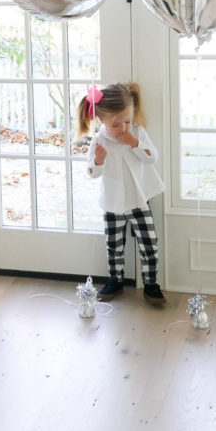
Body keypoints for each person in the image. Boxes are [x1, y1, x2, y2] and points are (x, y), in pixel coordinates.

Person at [75, 82, 166, 305]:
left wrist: (134, 143)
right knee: (114, 246)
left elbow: (152, 157)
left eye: (127, 121)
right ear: (101, 120)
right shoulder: (99, 140)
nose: (123, 128)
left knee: (149, 243)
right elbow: (92, 173)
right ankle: (115, 281)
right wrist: (98, 160)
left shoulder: (136, 133)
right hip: (113, 203)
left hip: (138, 200)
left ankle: (151, 284)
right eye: (116, 124)